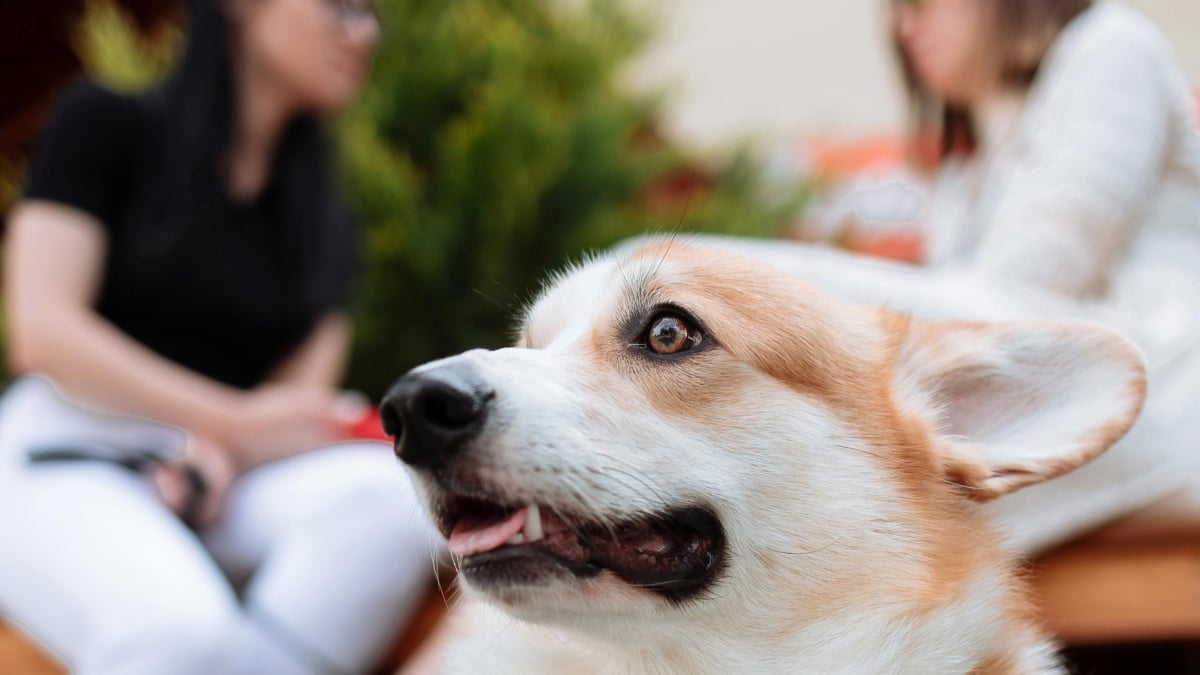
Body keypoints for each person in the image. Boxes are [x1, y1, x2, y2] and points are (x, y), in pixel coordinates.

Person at [646, 0, 1200, 553]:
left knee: (674, 278)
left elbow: (1038, 286)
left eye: (918, 5)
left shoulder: (1111, 44)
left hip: (1155, 394)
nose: (904, 28)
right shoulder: (967, 164)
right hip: (1036, 391)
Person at [0, 0, 437, 673]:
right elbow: (44, 333)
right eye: (342, 7)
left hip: (220, 472)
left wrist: (213, 456)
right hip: (61, 450)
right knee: (178, 633)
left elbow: (291, 412)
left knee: (394, 496)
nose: (364, 32)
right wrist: (229, 420)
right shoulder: (106, 125)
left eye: (372, 13)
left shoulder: (325, 222)